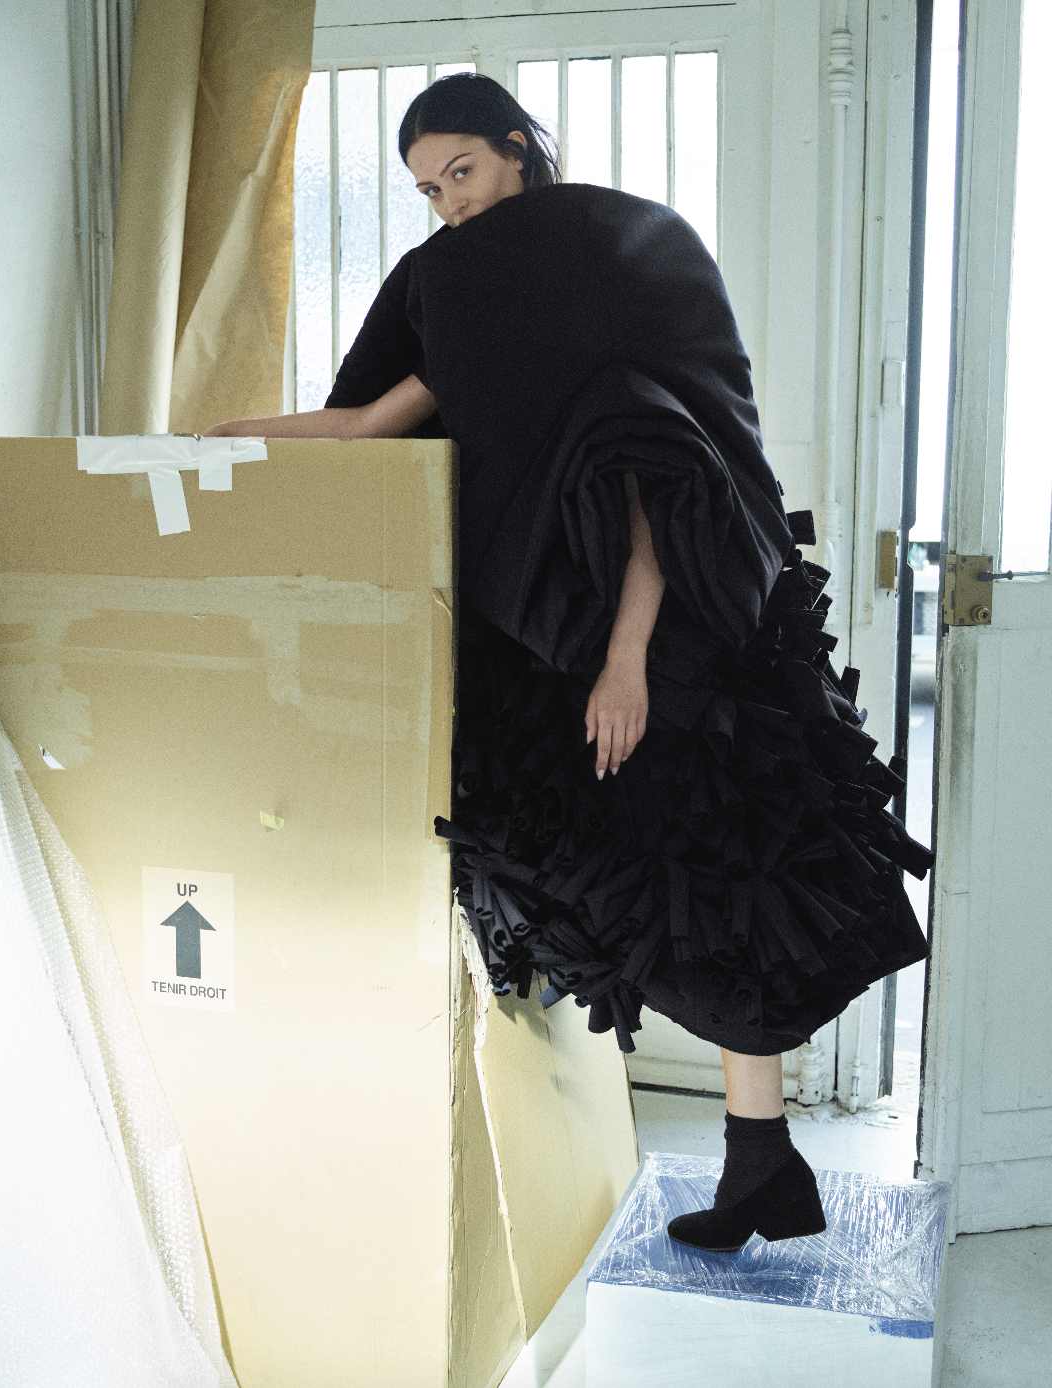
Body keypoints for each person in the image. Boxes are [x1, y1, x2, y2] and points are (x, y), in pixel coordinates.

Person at [205, 73, 932, 1253]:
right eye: (427, 190)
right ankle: (742, 1157)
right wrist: (221, 440)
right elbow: (373, 423)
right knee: (632, 876)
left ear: (516, 147)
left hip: (673, 630)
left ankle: (758, 1158)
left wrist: (627, 660)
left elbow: (656, 476)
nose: (449, 203)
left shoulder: (596, 261)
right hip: (562, 638)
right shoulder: (473, 294)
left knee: (713, 874)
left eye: (463, 171)